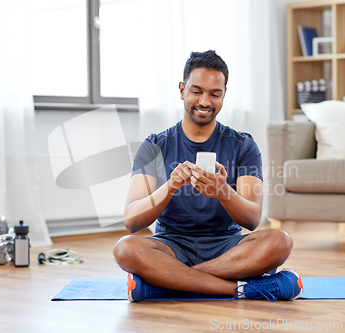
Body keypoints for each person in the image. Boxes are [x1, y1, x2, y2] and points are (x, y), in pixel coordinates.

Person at [113, 50, 303, 302]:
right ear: (182, 90)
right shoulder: (154, 145)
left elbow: (252, 219)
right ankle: (244, 288)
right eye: (196, 91)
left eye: (215, 94)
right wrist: (170, 186)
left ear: (224, 94)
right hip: (171, 246)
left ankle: (166, 282)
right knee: (125, 248)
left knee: (280, 241)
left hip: (228, 249)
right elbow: (132, 221)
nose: (205, 101)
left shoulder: (243, 145)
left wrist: (224, 193)